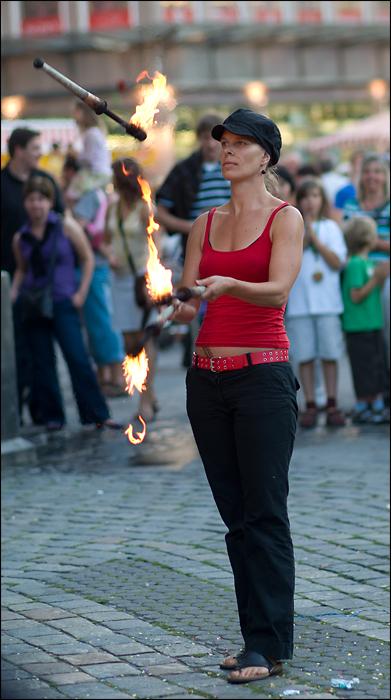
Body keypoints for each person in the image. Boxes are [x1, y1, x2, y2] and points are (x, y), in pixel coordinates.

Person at [168, 108, 304, 684]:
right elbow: (193, 298)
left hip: (263, 379)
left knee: (264, 513)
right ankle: (254, 637)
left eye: (241, 144)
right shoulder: (203, 222)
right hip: (206, 380)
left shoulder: (285, 218)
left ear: (265, 157)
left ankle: (268, 646)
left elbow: (275, 293)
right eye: (223, 142)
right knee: (236, 520)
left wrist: (227, 286)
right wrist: (178, 303)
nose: (227, 151)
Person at [9, 176, 120, 432]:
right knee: (43, 363)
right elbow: (22, 270)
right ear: (25, 203)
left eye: (41, 199)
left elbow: (87, 258)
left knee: (77, 358)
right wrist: (14, 292)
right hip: (34, 305)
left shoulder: (65, 226)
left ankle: (96, 413)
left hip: (64, 302)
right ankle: (53, 417)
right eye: (31, 200)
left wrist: (81, 293)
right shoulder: (21, 237)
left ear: (49, 202)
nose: (36, 205)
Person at [155, 112, 231, 366]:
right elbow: (160, 211)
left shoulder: (234, 166)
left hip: (233, 245)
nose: (211, 144)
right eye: (205, 137)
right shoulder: (184, 170)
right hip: (198, 247)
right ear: (198, 138)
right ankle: (202, 356)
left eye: (216, 139)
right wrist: (191, 227)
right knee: (196, 302)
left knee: (228, 301)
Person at [1, 127, 66, 424]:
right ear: (18, 150)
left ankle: (44, 410)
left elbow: (64, 223)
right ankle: (17, 411)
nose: (40, 152)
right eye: (35, 147)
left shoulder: (48, 181)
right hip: (11, 283)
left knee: (49, 352)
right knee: (19, 351)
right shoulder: (1, 184)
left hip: (50, 285)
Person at [285, 178, 348, 428]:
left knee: (330, 353)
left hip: (327, 304)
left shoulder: (331, 228)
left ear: (322, 200)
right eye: (305, 197)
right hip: (300, 305)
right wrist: (305, 239)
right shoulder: (292, 228)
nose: (310, 202)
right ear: (298, 201)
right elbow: (288, 261)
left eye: (315, 196)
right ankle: (310, 402)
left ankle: (332, 402)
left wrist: (317, 241)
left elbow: (336, 262)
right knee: (305, 355)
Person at [101, 157, 158, 422]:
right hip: (119, 279)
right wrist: (109, 255)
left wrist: (153, 285)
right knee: (129, 342)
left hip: (140, 279)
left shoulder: (144, 207)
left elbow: (155, 248)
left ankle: (145, 401)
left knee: (143, 340)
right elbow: (105, 240)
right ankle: (150, 394)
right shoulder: (113, 208)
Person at [72, 187, 126, 397]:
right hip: (101, 267)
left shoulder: (90, 195)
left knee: (102, 323)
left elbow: (84, 228)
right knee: (102, 322)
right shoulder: (106, 195)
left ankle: (115, 378)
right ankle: (106, 377)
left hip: (95, 268)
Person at [343, 154, 390, 371]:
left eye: (377, 171)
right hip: (358, 274)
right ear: (361, 176)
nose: (372, 176)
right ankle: (374, 390)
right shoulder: (351, 206)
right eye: (368, 171)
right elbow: (344, 241)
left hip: (386, 273)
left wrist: (374, 242)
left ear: (385, 176)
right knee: (366, 333)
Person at [341, 216, 390, 424]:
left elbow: (373, 293)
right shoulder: (355, 265)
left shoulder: (369, 263)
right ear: (367, 238)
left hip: (373, 323)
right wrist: (376, 278)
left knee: (377, 365)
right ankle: (364, 404)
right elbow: (356, 295)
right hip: (358, 327)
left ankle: (377, 402)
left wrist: (381, 279)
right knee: (363, 367)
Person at [66, 100, 112, 208]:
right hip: (102, 173)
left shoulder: (90, 133)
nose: (73, 115)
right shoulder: (95, 131)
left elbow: (88, 159)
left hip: (96, 173)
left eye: (76, 111)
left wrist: (74, 154)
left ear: (84, 113)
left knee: (69, 195)